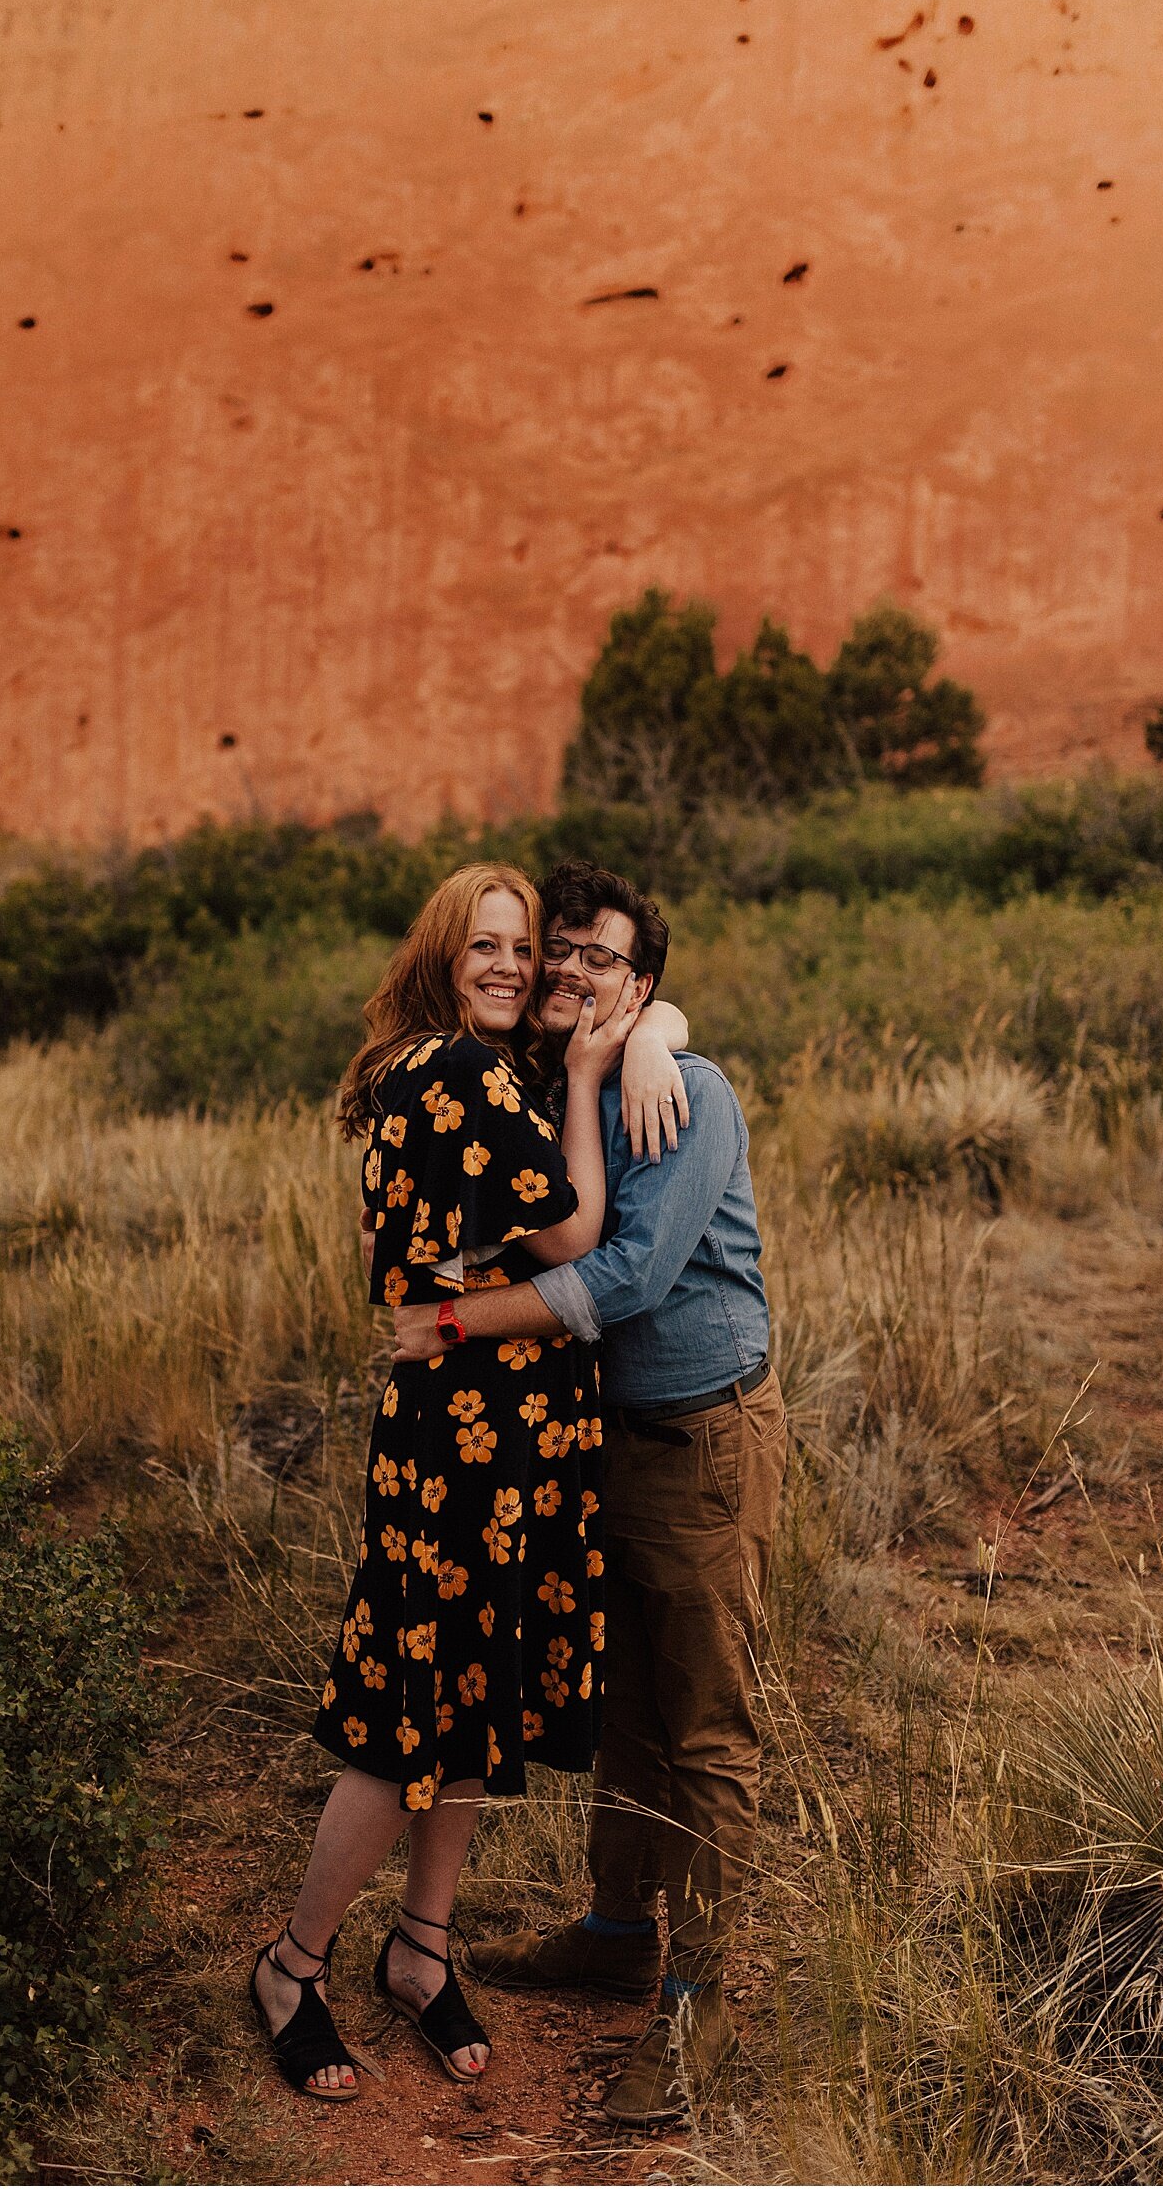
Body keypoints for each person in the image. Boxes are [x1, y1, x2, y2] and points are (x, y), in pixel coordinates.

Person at [249, 860, 688, 2101]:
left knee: (476, 1702)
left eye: (523, 945)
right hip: (465, 1426)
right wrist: (600, 1075)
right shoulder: (459, 1071)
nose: (510, 964)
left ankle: (423, 1952)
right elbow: (577, 1238)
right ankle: (294, 1963)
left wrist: (648, 1029)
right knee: (409, 1713)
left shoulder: (455, 1067)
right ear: (444, 953)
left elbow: (638, 1005)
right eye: (486, 944)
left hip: (515, 1422)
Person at [392, 858, 787, 2127]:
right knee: (621, 1710)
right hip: (600, 1443)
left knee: (706, 1728)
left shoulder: (690, 1092)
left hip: (700, 1440)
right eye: (556, 949)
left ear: (643, 984)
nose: (562, 970)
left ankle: (700, 2001)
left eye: (595, 959)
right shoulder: (545, 1082)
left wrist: (449, 1323)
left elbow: (621, 1281)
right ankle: (618, 1929)